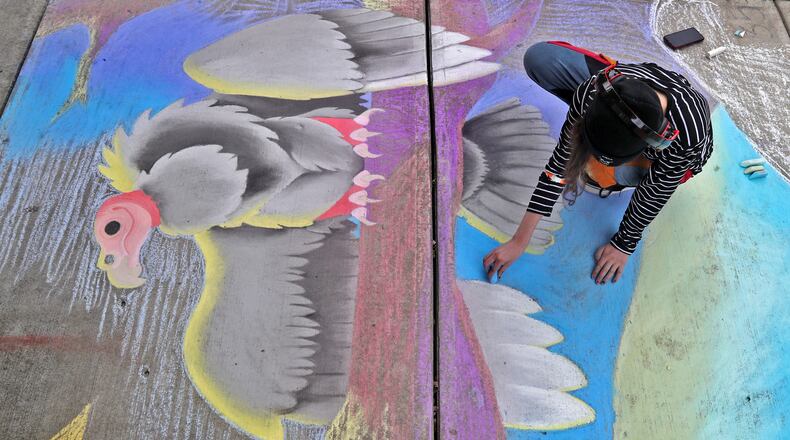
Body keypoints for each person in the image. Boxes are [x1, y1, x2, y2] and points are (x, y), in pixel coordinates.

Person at [483, 41, 712, 284]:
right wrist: (520, 240)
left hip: (679, 154)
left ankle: (620, 170)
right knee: (539, 59)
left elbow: (654, 194)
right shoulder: (594, 89)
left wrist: (624, 245)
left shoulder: (686, 137)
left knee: (603, 176)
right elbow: (560, 164)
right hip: (631, 86)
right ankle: (604, 143)